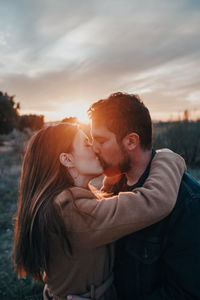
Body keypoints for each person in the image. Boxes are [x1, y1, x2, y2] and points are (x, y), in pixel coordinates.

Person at [13, 123, 185, 300]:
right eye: (86, 143)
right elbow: (155, 201)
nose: (94, 148)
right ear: (67, 159)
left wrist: (109, 185)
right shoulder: (70, 213)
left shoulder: (60, 203)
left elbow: (95, 221)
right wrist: (167, 157)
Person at [88, 92, 200, 300]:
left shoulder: (188, 203)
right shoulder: (112, 187)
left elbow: (186, 293)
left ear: (131, 141)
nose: (94, 148)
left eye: (101, 140)